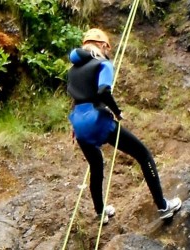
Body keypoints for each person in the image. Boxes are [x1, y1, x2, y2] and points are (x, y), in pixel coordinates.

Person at [66, 28, 182, 224]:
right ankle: (163, 207)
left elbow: (77, 97)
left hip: (78, 123)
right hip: (97, 120)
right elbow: (103, 90)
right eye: (107, 48)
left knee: (96, 166)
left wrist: (75, 126)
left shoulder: (72, 71)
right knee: (143, 155)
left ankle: (101, 212)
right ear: (102, 45)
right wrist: (117, 111)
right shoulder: (103, 64)